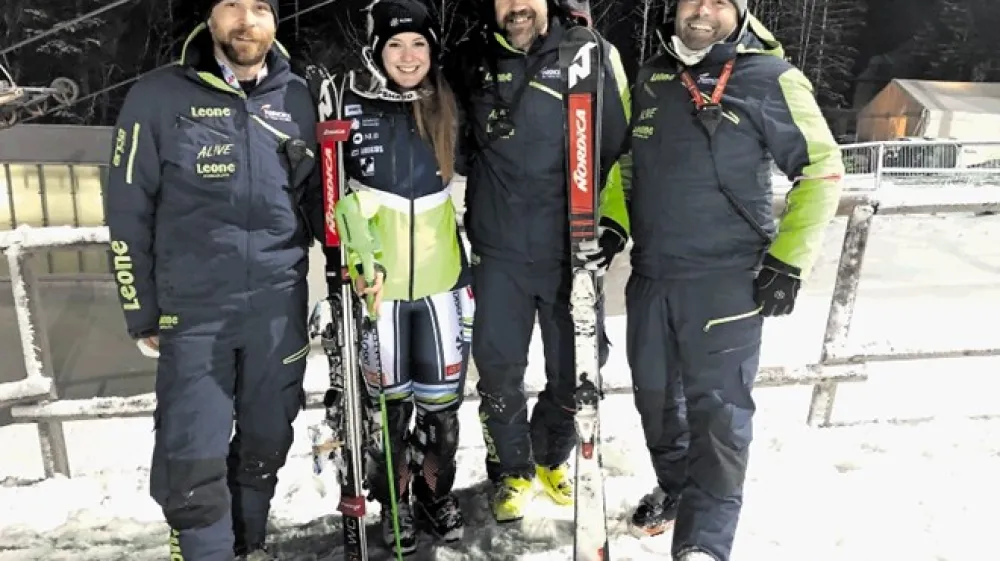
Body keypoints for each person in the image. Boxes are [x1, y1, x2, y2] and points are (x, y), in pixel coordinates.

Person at [623, 1, 845, 560]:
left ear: (740, 10)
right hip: (651, 278)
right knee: (656, 405)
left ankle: (703, 544)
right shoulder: (652, 76)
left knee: (718, 418)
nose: (702, 10)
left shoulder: (771, 78)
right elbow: (624, 165)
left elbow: (821, 169)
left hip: (724, 283)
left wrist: (788, 259)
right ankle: (678, 490)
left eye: (719, 0)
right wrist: (609, 222)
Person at [103, 1, 322, 559]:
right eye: (232, 6)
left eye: (259, 8)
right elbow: (127, 209)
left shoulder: (299, 97)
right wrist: (141, 307)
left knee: (265, 445)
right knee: (193, 455)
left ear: (275, 21)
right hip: (195, 311)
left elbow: (320, 200)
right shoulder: (157, 98)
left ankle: (246, 545)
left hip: (278, 307)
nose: (246, 21)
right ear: (210, 17)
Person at [446, 0, 631, 523]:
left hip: (567, 248)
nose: (515, 7)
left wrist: (613, 221)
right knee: (499, 371)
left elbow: (617, 148)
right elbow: (450, 143)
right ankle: (512, 469)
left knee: (579, 368)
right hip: (498, 249)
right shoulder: (469, 61)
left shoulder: (590, 54)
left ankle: (549, 456)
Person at [309, 0, 474, 555]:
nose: (409, 56)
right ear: (376, 49)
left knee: (442, 409)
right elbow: (328, 192)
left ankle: (433, 493)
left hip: (440, 282)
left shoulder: (449, 101)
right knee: (387, 410)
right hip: (375, 286)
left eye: (420, 45)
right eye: (396, 45)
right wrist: (352, 257)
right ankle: (393, 500)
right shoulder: (347, 98)